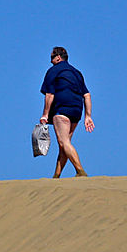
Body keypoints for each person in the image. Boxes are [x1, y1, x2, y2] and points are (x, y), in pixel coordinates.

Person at [40, 46, 94, 177]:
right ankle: (56, 176)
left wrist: (45, 114)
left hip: (62, 109)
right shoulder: (77, 72)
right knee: (64, 144)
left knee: (64, 142)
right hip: (76, 111)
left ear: (58, 57)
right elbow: (87, 95)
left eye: (52, 57)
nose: (50, 60)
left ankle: (80, 171)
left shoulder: (54, 71)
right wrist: (88, 116)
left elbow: (49, 94)